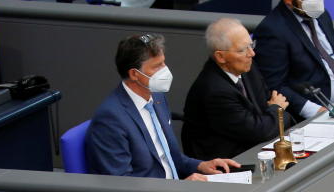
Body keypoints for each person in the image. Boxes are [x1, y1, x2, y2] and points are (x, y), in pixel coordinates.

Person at [86, 33, 239, 180]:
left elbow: (169, 157)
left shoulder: (157, 97)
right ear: (134, 74)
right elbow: (123, 184)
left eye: (163, 62)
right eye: (157, 66)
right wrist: (180, 189)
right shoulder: (110, 120)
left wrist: (201, 165)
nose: (165, 70)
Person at [182, 18, 294, 160]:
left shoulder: (246, 68)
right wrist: (277, 109)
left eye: (251, 45)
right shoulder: (215, 91)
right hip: (228, 163)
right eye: (242, 49)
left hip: (255, 149)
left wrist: (270, 115)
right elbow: (259, 132)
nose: (252, 53)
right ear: (220, 56)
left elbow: (264, 109)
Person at [253, 0, 334, 120]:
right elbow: (274, 85)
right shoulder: (272, 29)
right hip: (317, 114)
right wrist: (317, 111)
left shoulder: (322, 15)